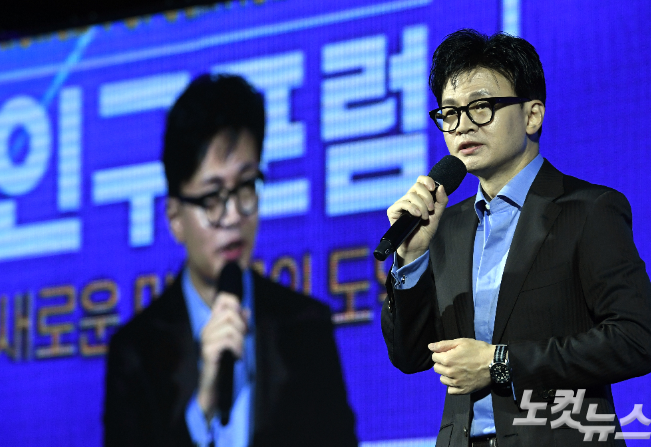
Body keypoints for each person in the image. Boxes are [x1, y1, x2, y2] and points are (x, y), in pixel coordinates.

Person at [381, 29, 651, 447]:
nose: (462, 125)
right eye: (449, 113)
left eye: (481, 107)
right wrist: (411, 256)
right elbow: (410, 355)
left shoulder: (588, 209)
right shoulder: (445, 227)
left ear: (532, 115)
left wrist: (500, 363)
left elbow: (637, 337)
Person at [104, 74, 358, 447]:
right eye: (212, 198)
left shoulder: (306, 328)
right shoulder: (136, 352)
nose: (234, 215)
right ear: (175, 217)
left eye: (246, 187)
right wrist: (202, 408)